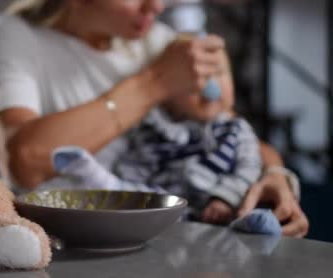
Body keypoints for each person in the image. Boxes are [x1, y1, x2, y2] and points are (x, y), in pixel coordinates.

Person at [0, 0, 308, 236]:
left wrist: (277, 174)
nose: (157, 6)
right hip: (54, 243)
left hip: (158, 244)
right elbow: (22, 160)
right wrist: (156, 82)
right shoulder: (13, 35)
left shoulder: (158, 43)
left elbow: (230, 130)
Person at [42, 53, 271, 228]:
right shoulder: (151, 130)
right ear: (168, 95)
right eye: (197, 78)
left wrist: (225, 199)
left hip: (217, 207)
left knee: (248, 215)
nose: (210, 86)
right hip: (163, 208)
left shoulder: (237, 130)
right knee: (132, 194)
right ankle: (100, 180)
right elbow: (132, 166)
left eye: (220, 74)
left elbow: (249, 168)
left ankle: (249, 225)